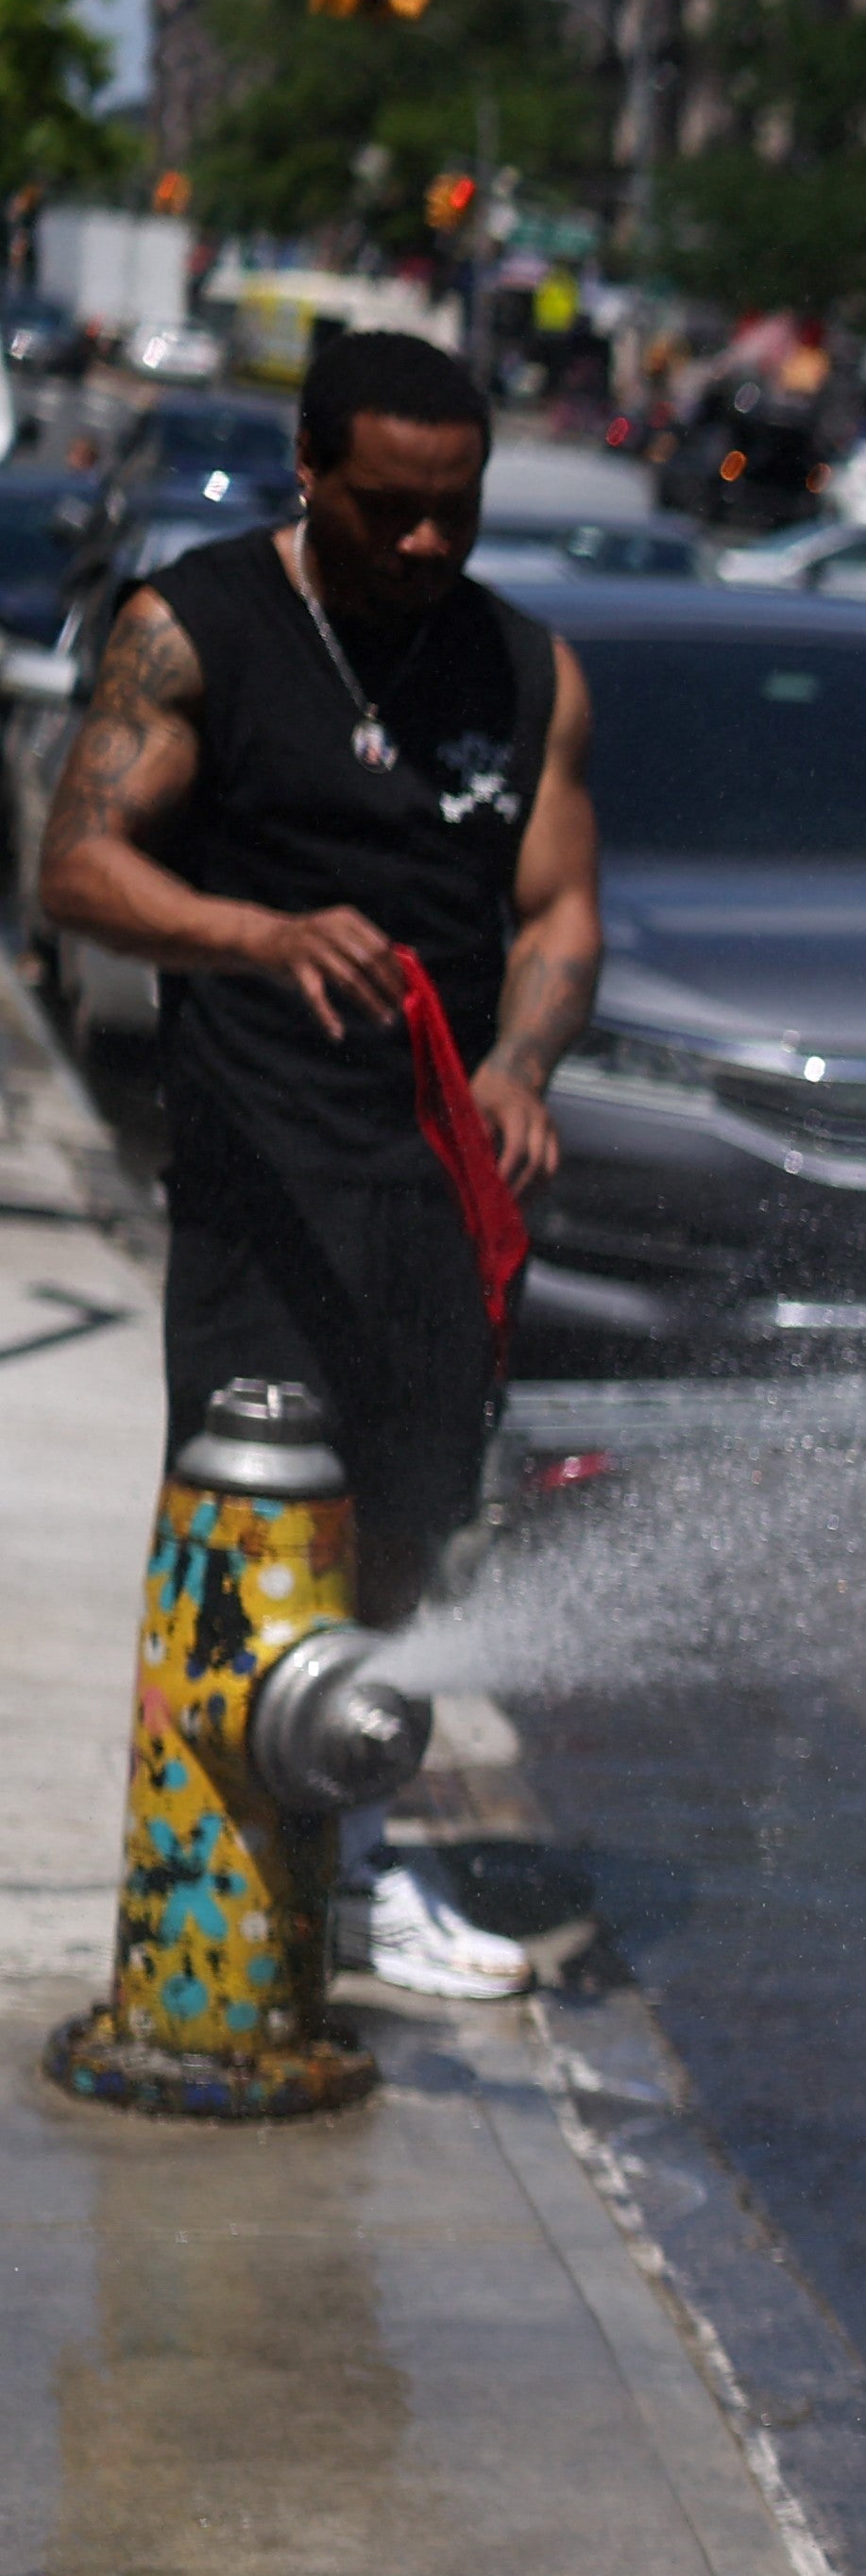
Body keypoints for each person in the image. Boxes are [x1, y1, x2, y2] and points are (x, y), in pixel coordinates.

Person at [41, 327, 599, 2007]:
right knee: (264, 1515)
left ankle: (339, 1853)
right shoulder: (195, 627)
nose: (427, 543)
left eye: (458, 507)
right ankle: (267, 1866)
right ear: (311, 475)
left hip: (437, 1176)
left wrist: (521, 1060)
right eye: (388, 510)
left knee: (414, 1527)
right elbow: (77, 865)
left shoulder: (528, 670)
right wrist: (256, 929)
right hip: (262, 1162)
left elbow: (561, 906)